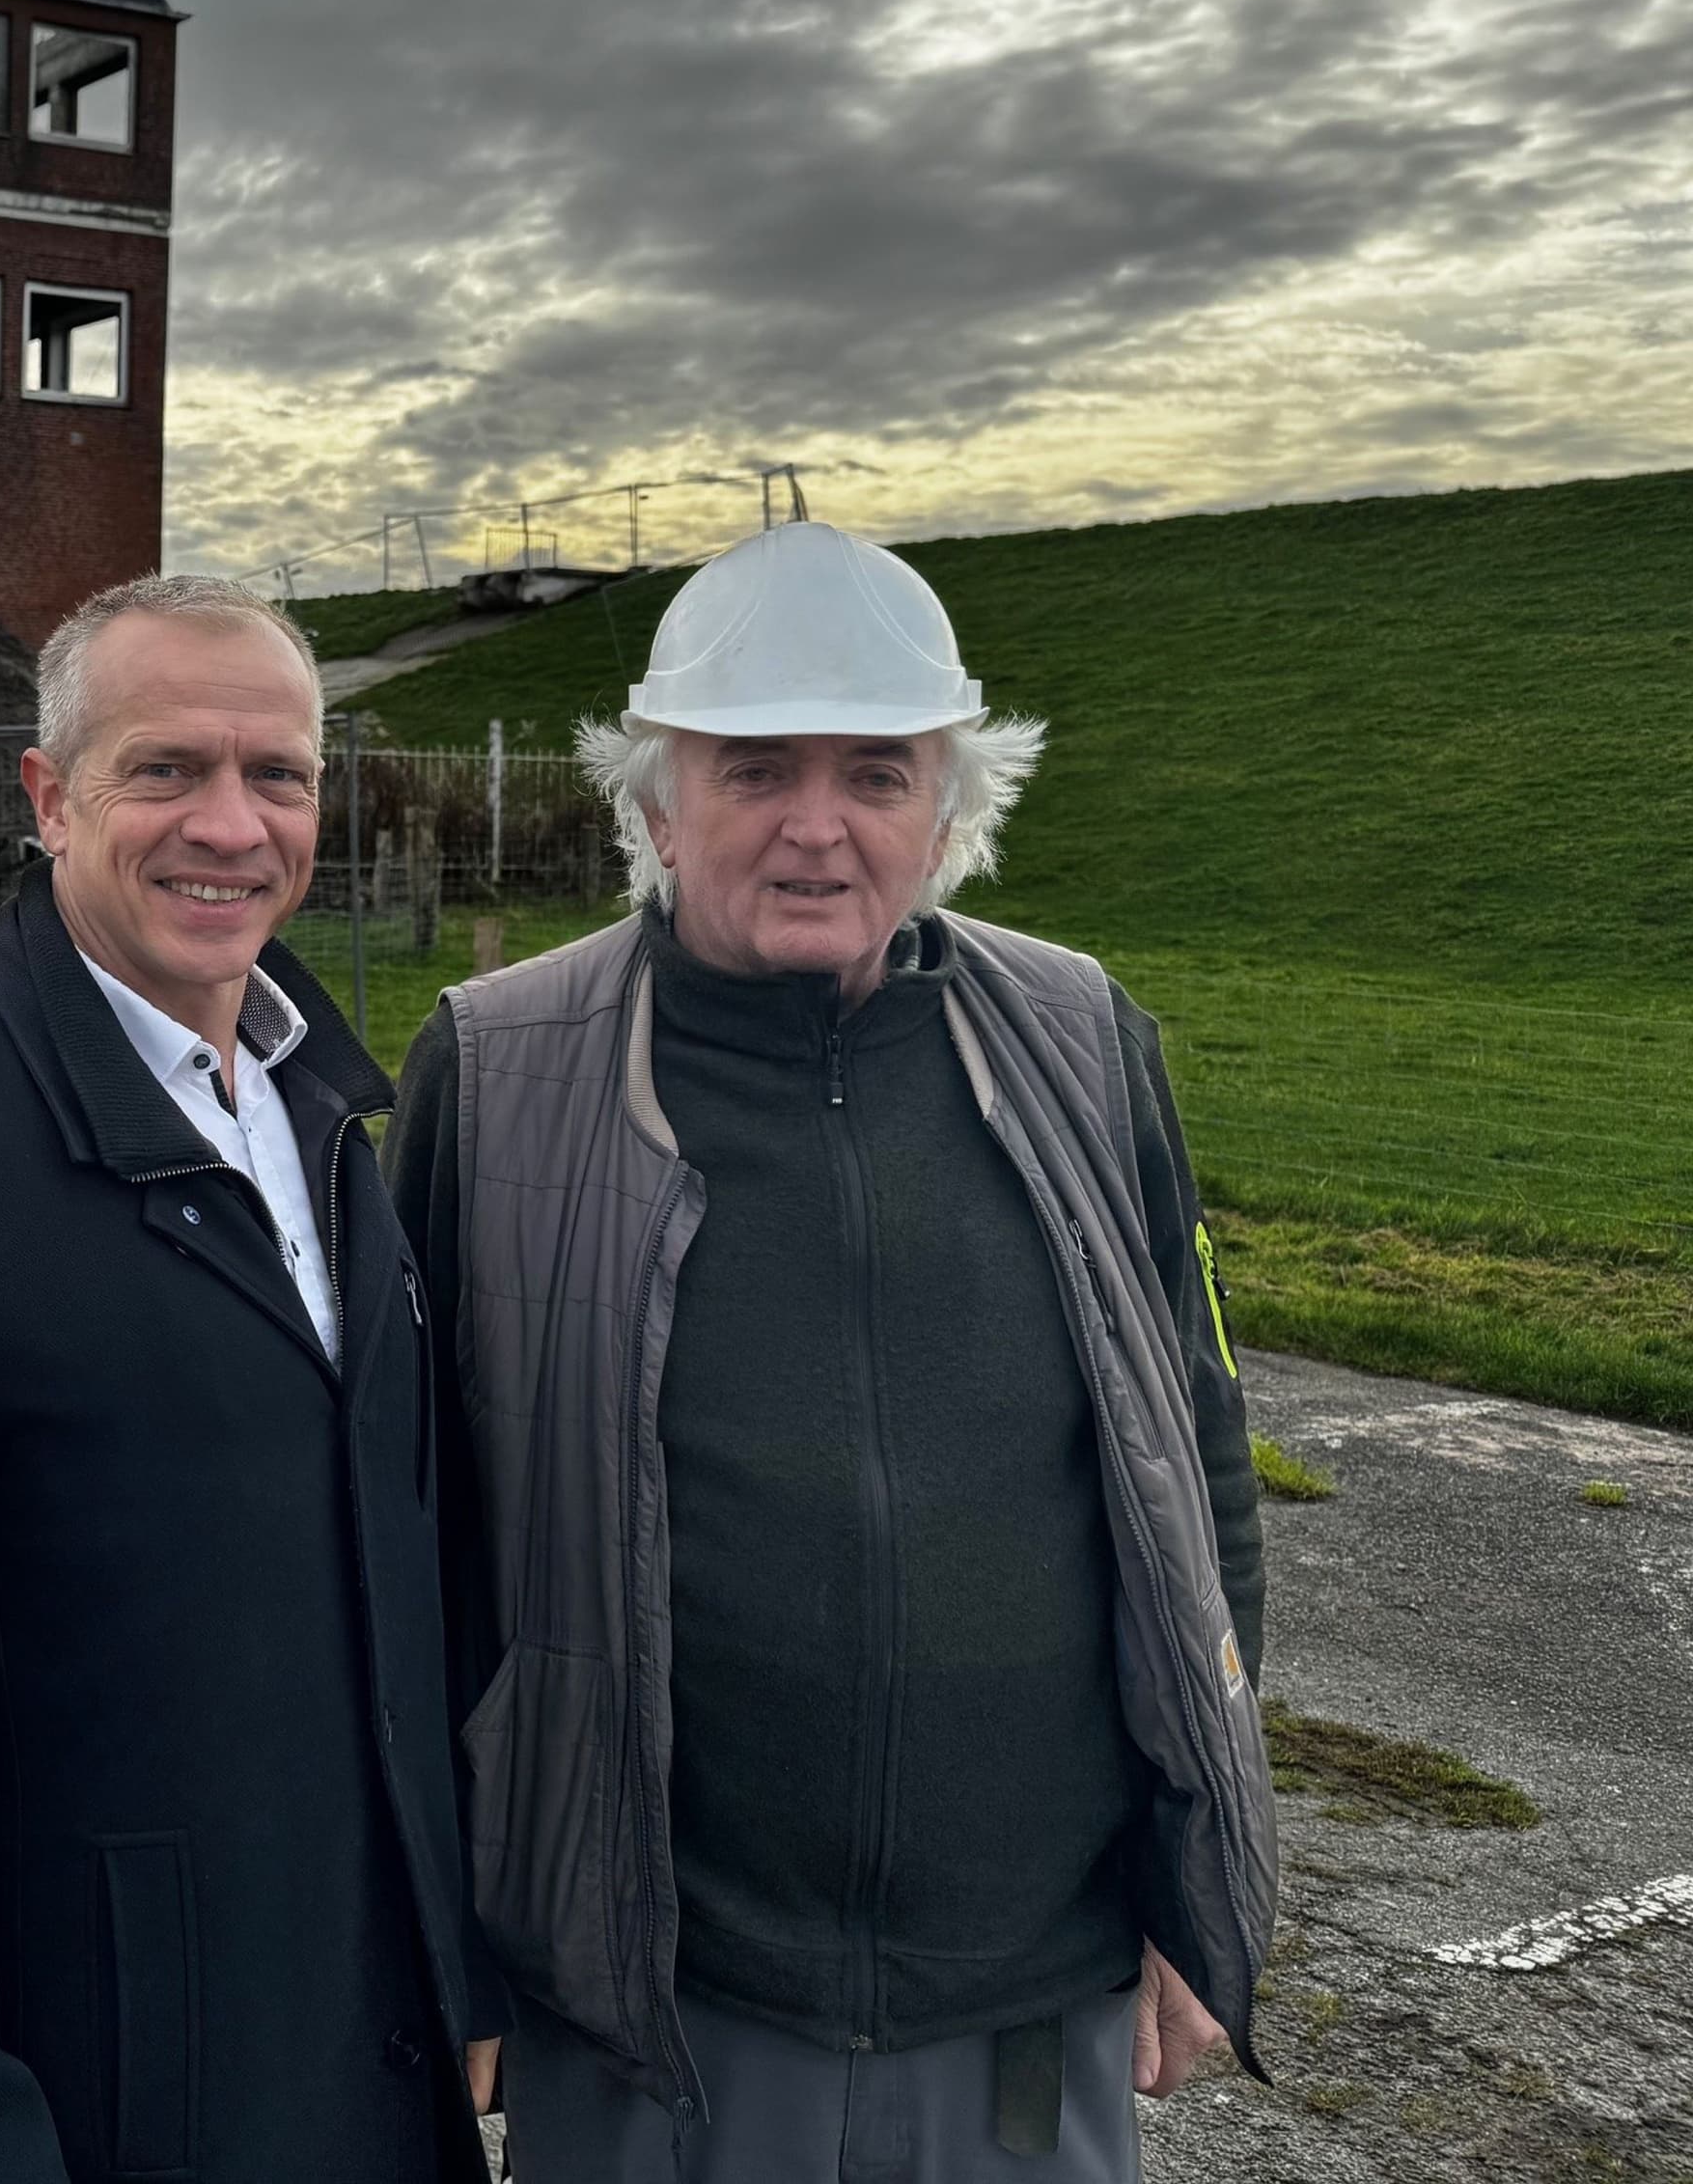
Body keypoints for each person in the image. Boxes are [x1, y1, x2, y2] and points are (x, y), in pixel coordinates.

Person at [385, 521, 1273, 2182]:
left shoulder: (1084, 1041)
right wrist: (456, 1944)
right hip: (651, 2002)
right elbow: (406, 1546)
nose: (816, 827)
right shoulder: (497, 1070)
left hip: (1028, 1989)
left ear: (953, 809)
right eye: (753, 770)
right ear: (655, 803)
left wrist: (1192, 1873)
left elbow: (1190, 1464)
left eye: (877, 771)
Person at [0, 574, 502, 2184]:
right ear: (50, 800)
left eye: (276, 774)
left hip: (362, 2059)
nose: (232, 824)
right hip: (112, 2099)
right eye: (166, 770)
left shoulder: (317, 1117)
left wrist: (460, 1962)